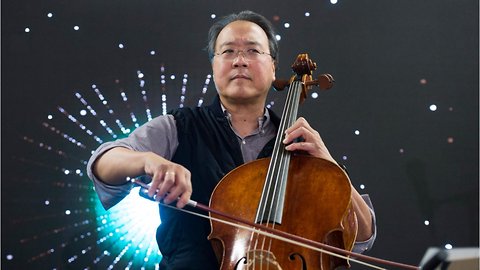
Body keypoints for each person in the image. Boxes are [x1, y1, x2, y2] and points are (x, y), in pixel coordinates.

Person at [87, 10, 376, 269]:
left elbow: (362, 237)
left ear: (273, 66)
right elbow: (104, 162)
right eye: (227, 52)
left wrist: (330, 166)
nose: (240, 60)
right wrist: (147, 160)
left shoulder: (301, 145)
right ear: (214, 66)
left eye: (252, 51)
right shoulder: (179, 127)